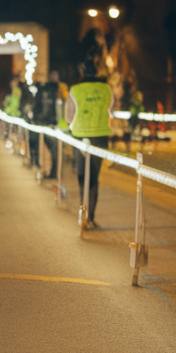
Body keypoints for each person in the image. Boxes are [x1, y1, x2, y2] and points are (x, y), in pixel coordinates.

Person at [66, 61, 114, 229]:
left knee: (82, 176)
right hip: (100, 137)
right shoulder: (107, 89)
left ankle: (82, 213)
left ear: (81, 71)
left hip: (80, 137)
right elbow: (111, 109)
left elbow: (68, 117)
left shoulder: (75, 90)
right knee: (94, 178)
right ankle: (91, 218)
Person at [32, 71, 64, 180]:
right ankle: (53, 172)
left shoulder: (43, 89)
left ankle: (46, 170)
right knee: (54, 150)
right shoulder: (58, 90)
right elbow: (59, 108)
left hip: (44, 123)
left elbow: (37, 105)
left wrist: (37, 119)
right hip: (54, 124)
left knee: (47, 148)